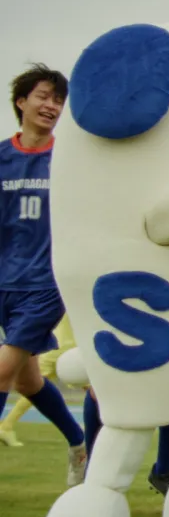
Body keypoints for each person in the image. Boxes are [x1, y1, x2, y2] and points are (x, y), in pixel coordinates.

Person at [0, 64, 87, 486]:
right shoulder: (2, 157)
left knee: (2, 371)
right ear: (21, 102)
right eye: (44, 96)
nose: (52, 105)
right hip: (5, 283)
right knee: (27, 380)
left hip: (47, 285)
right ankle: (79, 443)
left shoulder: (71, 160)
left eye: (58, 100)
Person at [0, 315, 76, 447]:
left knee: (29, 384)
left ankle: (6, 426)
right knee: (28, 384)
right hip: (65, 349)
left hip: (57, 347)